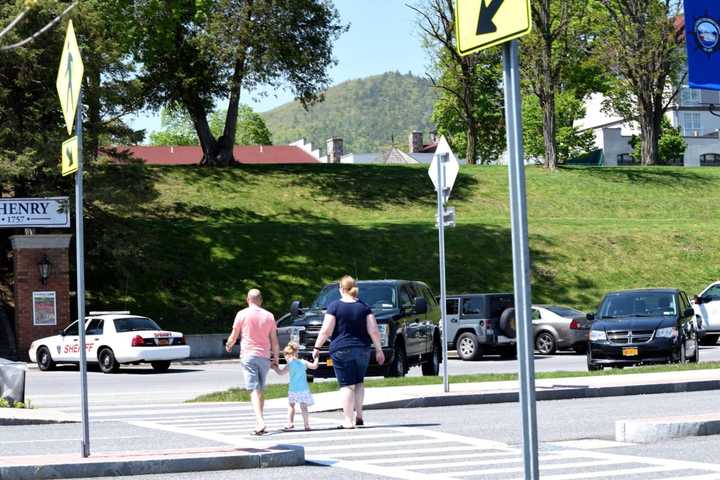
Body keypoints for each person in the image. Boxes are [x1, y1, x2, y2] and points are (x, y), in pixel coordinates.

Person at [312, 275, 385, 429]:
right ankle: (359, 416)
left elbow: (326, 331)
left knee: (346, 386)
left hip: (341, 349)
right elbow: (374, 330)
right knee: (359, 383)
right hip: (363, 348)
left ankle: (348, 420)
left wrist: (317, 348)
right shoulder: (364, 307)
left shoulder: (334, 306)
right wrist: (379, 350)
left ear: (341, 289)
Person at [225, 288, 279, 435]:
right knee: (260, 389)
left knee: (254, 389)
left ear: (248, 299)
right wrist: (275, 357)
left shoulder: (241, 314)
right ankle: (259, 423)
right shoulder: (269, 316)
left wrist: (229, 345)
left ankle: (260, 421)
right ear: (260, 300)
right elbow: (274, 340)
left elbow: (234, 335)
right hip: (264, 356)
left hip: (248, 355)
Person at [274, 342, 319, 431]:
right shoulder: (303, 362)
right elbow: (314, 366)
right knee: (304, 408)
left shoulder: (289, 365)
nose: (285, 358)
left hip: (293, 389)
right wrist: (316, 358)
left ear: (288, 355)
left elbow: (281, 373)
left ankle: (290, 423)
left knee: (291, 406)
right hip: (303, 389)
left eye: (285, 355)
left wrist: (275, 367)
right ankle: (306, 425)